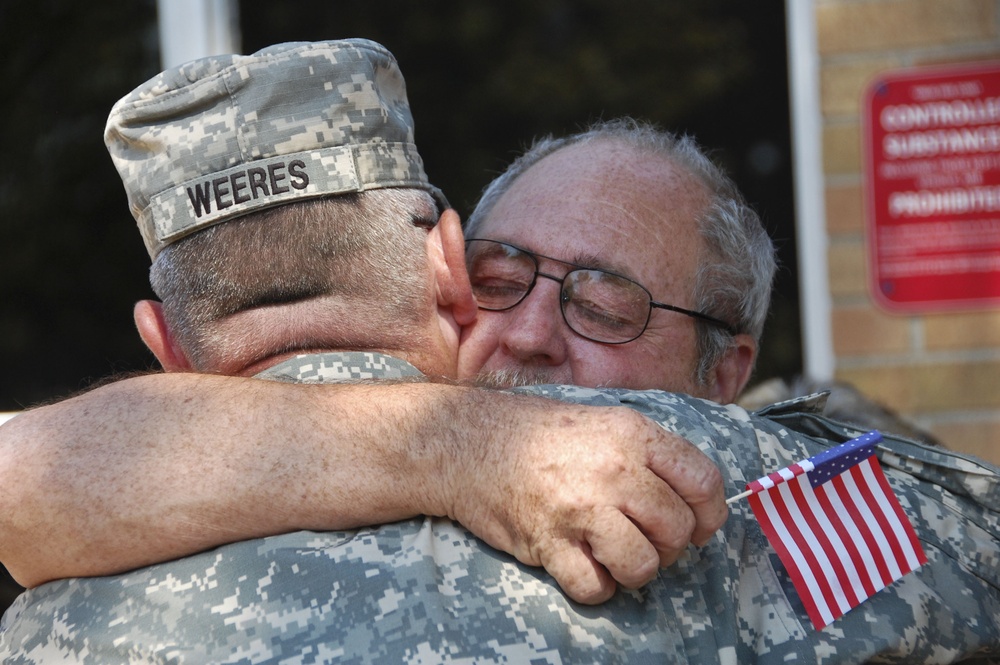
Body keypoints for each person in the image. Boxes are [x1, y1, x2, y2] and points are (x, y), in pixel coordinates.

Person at [2, 39, 999, 663]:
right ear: (445, 267)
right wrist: (460, 444)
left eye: (606, 303)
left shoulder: (740, 503)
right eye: (500, 276)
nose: (525, 333)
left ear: (726, 378)